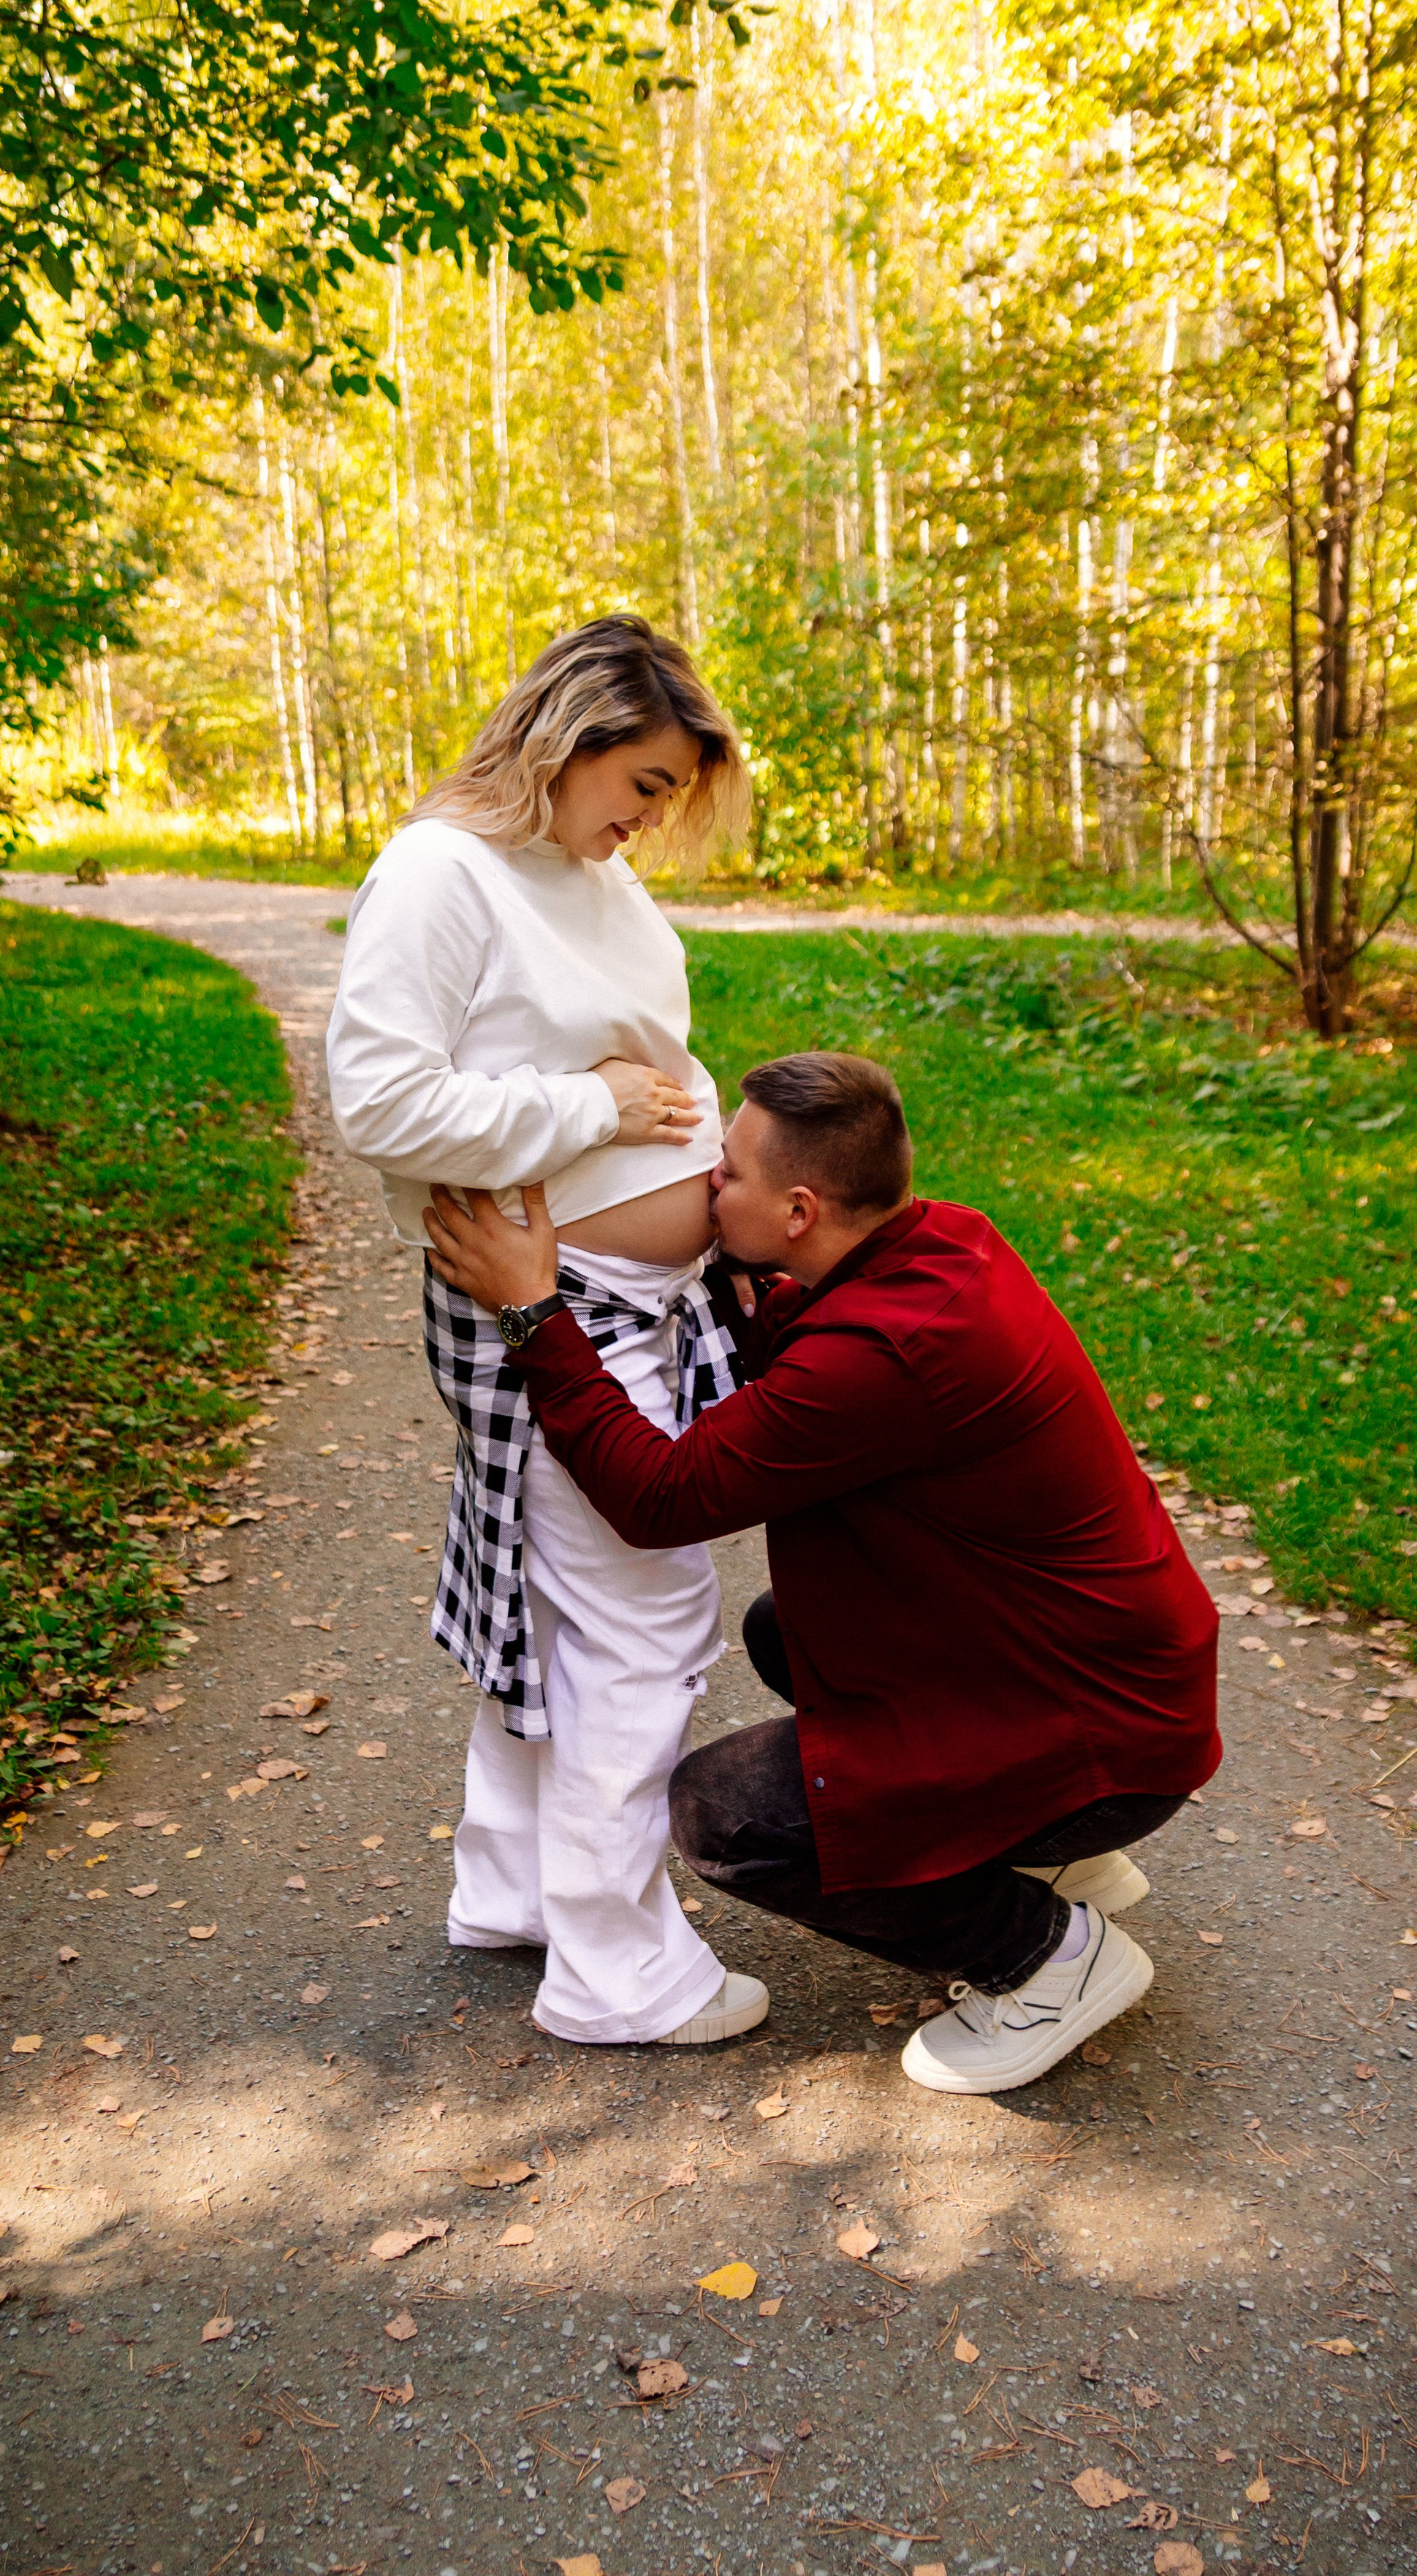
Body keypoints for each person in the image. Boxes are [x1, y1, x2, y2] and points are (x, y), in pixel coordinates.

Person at [420, 1050, 1222, 2095]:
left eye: (732, 1173)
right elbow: (807, 1368)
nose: (711, 1180)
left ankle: (1045, 1957)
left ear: (800, 1210)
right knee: (783, 1632)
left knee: (726, 1815)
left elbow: (658, 1499)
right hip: (1107, 1679)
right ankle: (1039, 1852)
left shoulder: (880, 1357)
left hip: (1105, 1732)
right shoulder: (940, 1243)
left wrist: (536, 1313)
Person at [325, 614, 770, 2049]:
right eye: (639, 784)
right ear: (567, 741)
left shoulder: (580, 871)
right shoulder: (441, 873)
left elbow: (640, 1057)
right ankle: (615, 1971)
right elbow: (380, 1106)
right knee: (640, 1626)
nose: (646, 820)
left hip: (629, 1298)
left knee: (561, 1609)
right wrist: (593, 1117)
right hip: (557, 1302)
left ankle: (513, 1892)